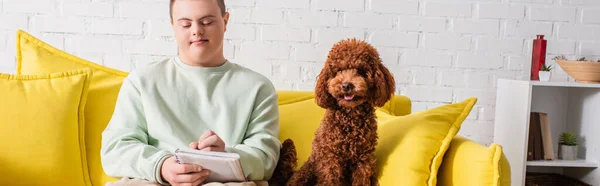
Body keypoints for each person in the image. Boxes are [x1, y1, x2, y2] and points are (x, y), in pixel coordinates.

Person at [100, 0, 281, 185]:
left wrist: (226, 157)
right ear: (173, 26)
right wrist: (161, 166)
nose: (196, 30)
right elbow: (115, 149)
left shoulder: (258, 87)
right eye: (186, 24)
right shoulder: (142, 81)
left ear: (225, 21)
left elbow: (265, 158)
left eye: (207, 22)